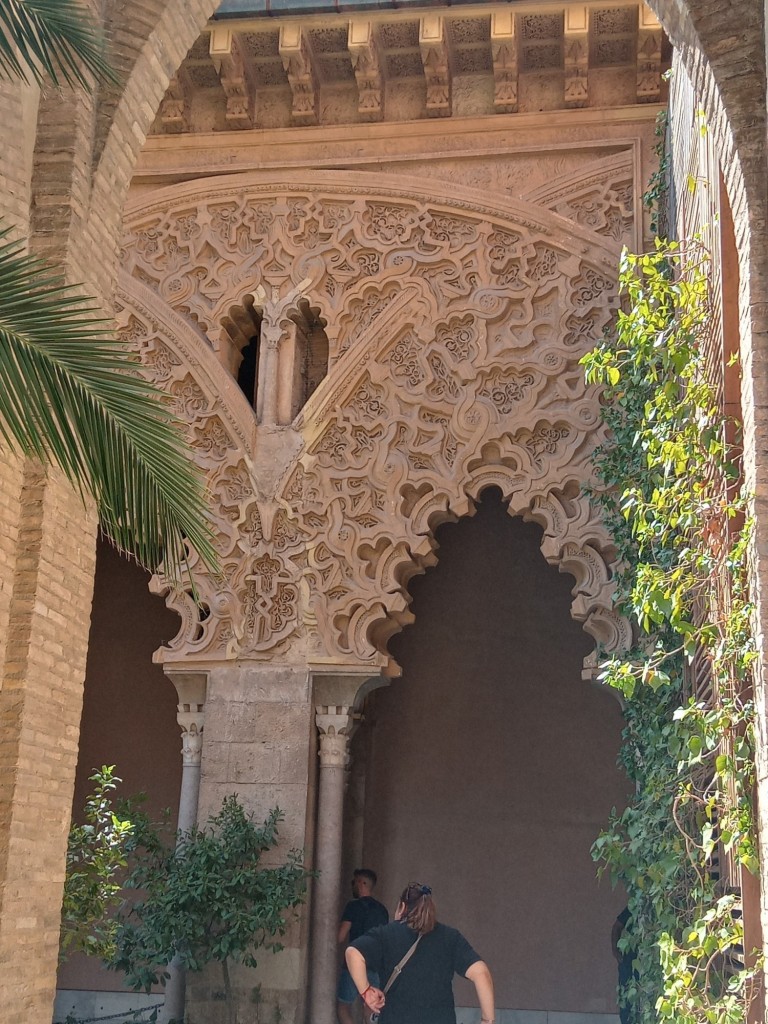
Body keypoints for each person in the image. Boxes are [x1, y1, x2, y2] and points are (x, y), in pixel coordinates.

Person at [345, 881, 495, 1024]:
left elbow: (353, 953)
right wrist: (488, 1020)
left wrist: (366, 991)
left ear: (402, 907)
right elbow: (481, 973)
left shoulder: (386, 935)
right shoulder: (450, 937)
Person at [337, 868, 390, 1024]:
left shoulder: (352, 907)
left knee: (343, 1007)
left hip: (353, 965)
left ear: (361, 883)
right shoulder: (382, 910)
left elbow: (340, 936)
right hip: (374, 965)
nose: (352, 885)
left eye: (354, 882)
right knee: (371, 1008)